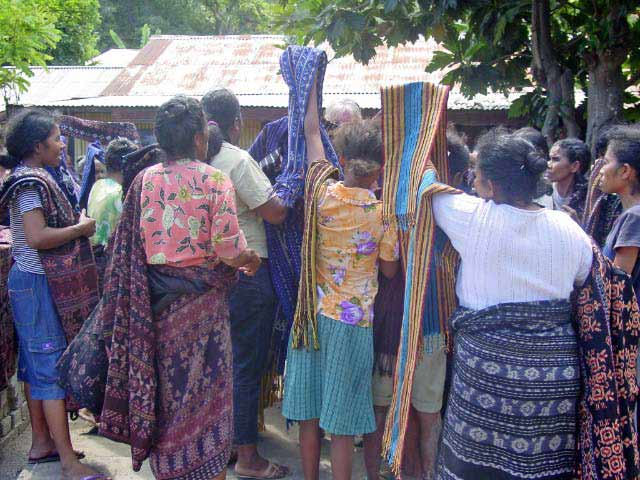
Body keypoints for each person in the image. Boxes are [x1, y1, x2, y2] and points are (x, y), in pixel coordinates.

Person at [98, 95, 262, 480]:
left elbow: (131, 246)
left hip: (157, 309)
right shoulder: (214, 180)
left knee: (168, 394)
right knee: (209, 397)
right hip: (204, 309)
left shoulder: (143, 180)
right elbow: (227, 249)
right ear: (199, 139)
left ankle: (170, 469)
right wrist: (250, 258)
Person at [432, 130, 594, 479]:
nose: (471, 181)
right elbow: (584, 276)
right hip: (553, 377)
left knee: (475, 467)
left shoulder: (473, 218)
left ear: (490, 186)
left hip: (488, 373)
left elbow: (425, 189)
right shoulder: (569, 228)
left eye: (476, 175)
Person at [283, 75, 400, 480]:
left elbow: (312, 132)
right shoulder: (384, 214)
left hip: (311, 319)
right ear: (380, 168)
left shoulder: (321, 192)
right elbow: (389, 270)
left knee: (310, 414)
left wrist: (310, 86)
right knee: (344, 422)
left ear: (344, 159)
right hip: (353, 325)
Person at [0, 110, 106, 480]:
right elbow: (37, 237)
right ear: (37, 146)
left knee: (34, 366)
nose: (62, 145)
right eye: (57, 139)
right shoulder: (30, 184)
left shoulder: (32, 177)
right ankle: (67, 463)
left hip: (30, 281)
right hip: (36, 282)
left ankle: (42, 443)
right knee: (47, 368)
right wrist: (80, 230)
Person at [365, 128, 470, 480]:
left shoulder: (393, 205)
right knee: (423, 414)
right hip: (417, 328)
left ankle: (389, 474)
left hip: (404, 328)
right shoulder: (454, 213)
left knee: (391, 410)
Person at [202, 88, 290, 479]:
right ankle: (248, 457)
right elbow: (274, 213)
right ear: (236, 123)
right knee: (244, 365)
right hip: (248, 271)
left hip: (207, 275)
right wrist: (291, 186)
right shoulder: (236, 160)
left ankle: (222, 445)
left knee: (217, 363)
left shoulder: (191, 162)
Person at [599, 126, 640, 304]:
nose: (600, 170)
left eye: (606, 162)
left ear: (625, 171)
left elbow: (616, 287)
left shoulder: (634, 218)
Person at [87, 138, 136, 247]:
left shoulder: (97, 186)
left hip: (93, 251)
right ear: (128, 166)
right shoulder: (121, 193)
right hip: (110, 253)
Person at [547, 137, 590, 222]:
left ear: (574, 166)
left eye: (555, 159)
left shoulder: (588, 198)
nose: (548, 164)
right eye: (549, 159)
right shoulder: (542, 192)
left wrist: (576, 223)